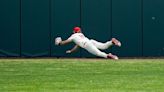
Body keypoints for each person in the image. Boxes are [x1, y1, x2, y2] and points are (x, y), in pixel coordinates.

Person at [55, 27, 121, 60]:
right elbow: (77, 45)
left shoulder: (73, 36)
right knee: (104, 46)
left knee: (98, 53)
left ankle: (109, 55)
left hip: (87, 44)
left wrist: (59, 43)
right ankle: (111, 42)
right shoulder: (81, 34)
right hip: (90, 41)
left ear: (74, 31)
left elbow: (65, 42)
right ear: (78, 31)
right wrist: (71, 51)